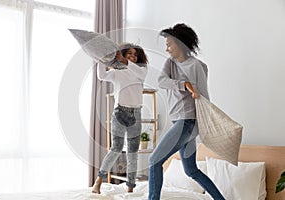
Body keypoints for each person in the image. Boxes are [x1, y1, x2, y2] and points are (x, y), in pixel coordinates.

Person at [148, 23, 225, 200]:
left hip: (188, 122)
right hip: (181, 122)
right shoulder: (171, 63)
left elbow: (203, 96)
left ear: (180, 43)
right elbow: (161, 81)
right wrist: (183, 85)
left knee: (154, 161)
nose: (167, 49)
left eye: (169, 45)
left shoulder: (198, 66)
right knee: (191, 170)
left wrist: (205, 122)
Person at [92, 43, 148, 194]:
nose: (133, 56)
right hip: (119, 113)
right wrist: (102, 60)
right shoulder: (117, 72)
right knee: (116, 149)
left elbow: (141, 74)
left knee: (132, 153)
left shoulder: (140, 70)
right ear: (123, 54)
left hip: (136, 114)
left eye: (135, 54)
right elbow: (101, 76)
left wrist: (124, 61)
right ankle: (98, 182)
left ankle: (130, 189)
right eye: (129, 53)